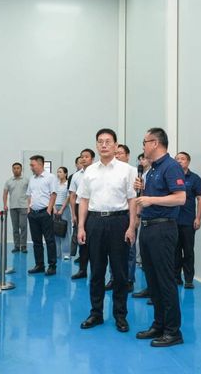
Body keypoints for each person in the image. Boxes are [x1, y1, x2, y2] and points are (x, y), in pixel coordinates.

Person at [77, 129, 136, 333]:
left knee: (120, 272)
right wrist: (81, 226)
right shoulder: (89, 171)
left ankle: (120, 315)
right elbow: (84, 200)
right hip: (95, 222)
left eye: (108, 141)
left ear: (115, 145)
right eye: (100, 141)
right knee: (96, 271)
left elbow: (132, 200)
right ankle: (96, 313)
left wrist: (131, 226)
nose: (104, 145)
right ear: (96, 145)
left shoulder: (128, 170)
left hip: (119, 221)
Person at [135, 128, 186, 347]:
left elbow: (180, 198)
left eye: (145, 142)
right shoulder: (152, 169)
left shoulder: (171, 166)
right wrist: (143, 191)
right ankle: (159, 324)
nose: (143, 146)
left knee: (165, 280)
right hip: (148, 227)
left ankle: (173, 331)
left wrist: (151, 200)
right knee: (153, 280)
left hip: (163, 228)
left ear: (155, 143)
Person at [105, 144, 136, 293]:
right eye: (115, 153)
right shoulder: (109, 172)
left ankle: (128, 280)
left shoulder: (133, 171)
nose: (117, 156)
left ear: (127, 156)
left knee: (129, 250)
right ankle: (113, 278)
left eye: (120, 153)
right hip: (113, 216)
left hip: (128, 215)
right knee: (112, 249)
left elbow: (136, 197)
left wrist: (135, 218)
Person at [174, 152, 201, 289]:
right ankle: (176, 277)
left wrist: (198, 218)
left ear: (188, 161)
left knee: (188, 251)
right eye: (177, 159)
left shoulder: (195, 178)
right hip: (173, 220)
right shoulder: (172, 176)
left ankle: (188, 279)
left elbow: (200, 198)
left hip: (188, 221)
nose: (180, 161)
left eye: (183, 159)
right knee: (174, 251)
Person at [26, 155, 58, 276]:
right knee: (36, 241)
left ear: (40, 164)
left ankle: (52, 266)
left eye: (32, 165)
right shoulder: (32, 179)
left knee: (49, 240)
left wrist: (49, 210)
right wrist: (28, 209)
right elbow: (29, 194)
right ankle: (39, 265)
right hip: (33, 214)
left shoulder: (50, 177)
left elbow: (53, 194)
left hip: (45, 213)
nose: (31, 167)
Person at [69, 148, 95, 280]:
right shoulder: (76, 176)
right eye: (82, 156)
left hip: (94, 209)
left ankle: (96, 272)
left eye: (86, 156)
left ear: (92, 159)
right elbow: (73, 196)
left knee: (95, 241)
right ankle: (82, 270)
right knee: (82, 241)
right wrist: (74, 214)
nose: (83, 159)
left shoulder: (97, 172)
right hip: (80, 208)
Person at [131, 152, 152, 299]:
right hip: (144, 217)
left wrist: (138, 215)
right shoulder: (141, 176)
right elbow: (138, 197)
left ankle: (156, 293)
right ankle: (149, 288)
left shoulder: (155, 173)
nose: (141, 161)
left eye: (143, 158)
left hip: (156, 220)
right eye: (139, 159)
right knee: (146, 256)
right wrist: (138, 215)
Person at [3, 162, 29, 253]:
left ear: (21, 169)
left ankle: (23, 246)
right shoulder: (8, 181)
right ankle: (17, 246)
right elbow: (5, 193)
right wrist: (5, 204)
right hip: (13, 207)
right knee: (15, 228)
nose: (16, 170)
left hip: (24, 206)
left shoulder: (26, 180)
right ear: (12, 169)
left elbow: (31, 193)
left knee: (23, 226)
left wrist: (30, 205)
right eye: (14, 168)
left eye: (18, 168)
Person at [54, 166, 71, 259]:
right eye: (58, 172)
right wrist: (54, 208)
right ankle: (57, 253)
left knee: (65, 231)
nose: (58, 174)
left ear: (65, 174)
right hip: (54, 208)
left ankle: (66, 253)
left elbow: (68, 198)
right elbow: (52, 196)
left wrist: (61, 210)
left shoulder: (68, 184)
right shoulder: (55, 184)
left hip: (64, 208)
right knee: (55, 231)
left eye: (60, 172)